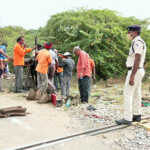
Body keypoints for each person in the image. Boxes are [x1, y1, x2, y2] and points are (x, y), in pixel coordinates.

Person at [116, 25, 146, 125]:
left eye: (130, 32)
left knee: (128, 94)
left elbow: (137, 58)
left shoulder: (137, 42)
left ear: (135, 32)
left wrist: (132, 75)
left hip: (135, 70)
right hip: (138, 70)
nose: (128, 34)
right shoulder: (138, 41)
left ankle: (127, 118)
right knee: (137, 93)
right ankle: (137, 115)